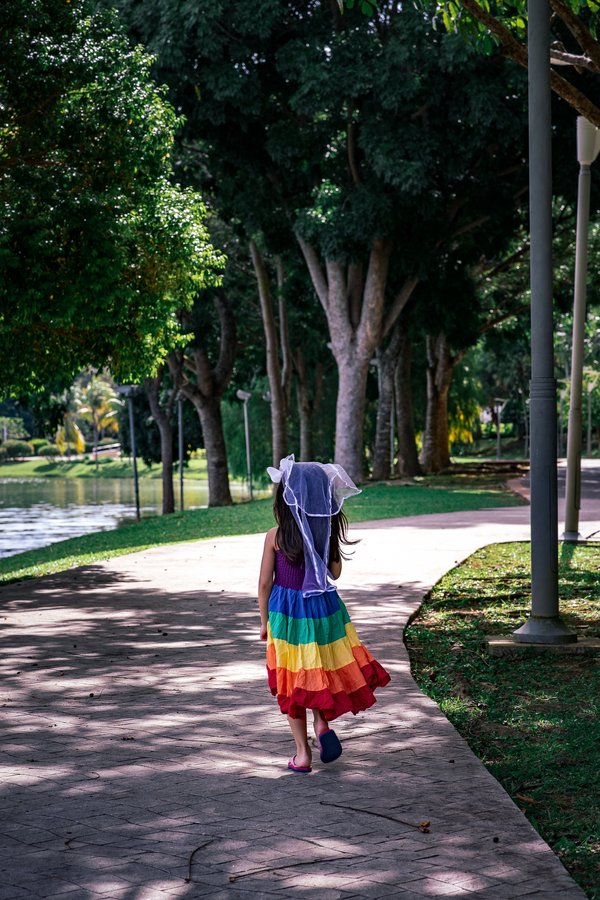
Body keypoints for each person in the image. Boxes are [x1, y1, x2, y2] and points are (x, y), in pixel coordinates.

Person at [258, 455, 390, 774]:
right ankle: (321, 725)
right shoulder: (324, 533)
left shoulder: (275, 536)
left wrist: (264, 622)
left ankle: (302, 755)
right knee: (317, 668)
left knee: (292, 679)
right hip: (323, 610)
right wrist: (324, 540)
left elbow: (264, 583)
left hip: (288, 614)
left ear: (286, 499)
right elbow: (335, 573)